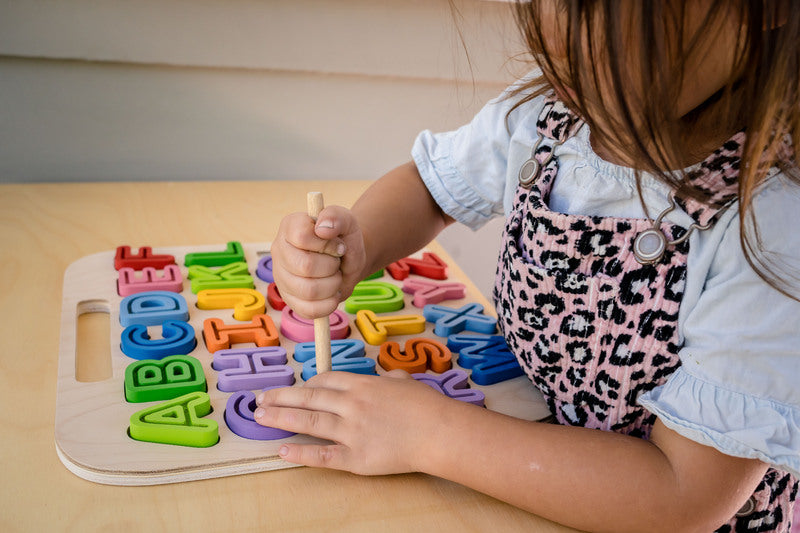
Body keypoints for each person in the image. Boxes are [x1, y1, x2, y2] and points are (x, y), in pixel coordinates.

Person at [254, 1, 800, 531]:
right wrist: (354, 246)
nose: (555, 35)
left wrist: (430, 434)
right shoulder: (546, 116)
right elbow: (430, 190)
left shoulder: (772, 230)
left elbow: (681, 495)